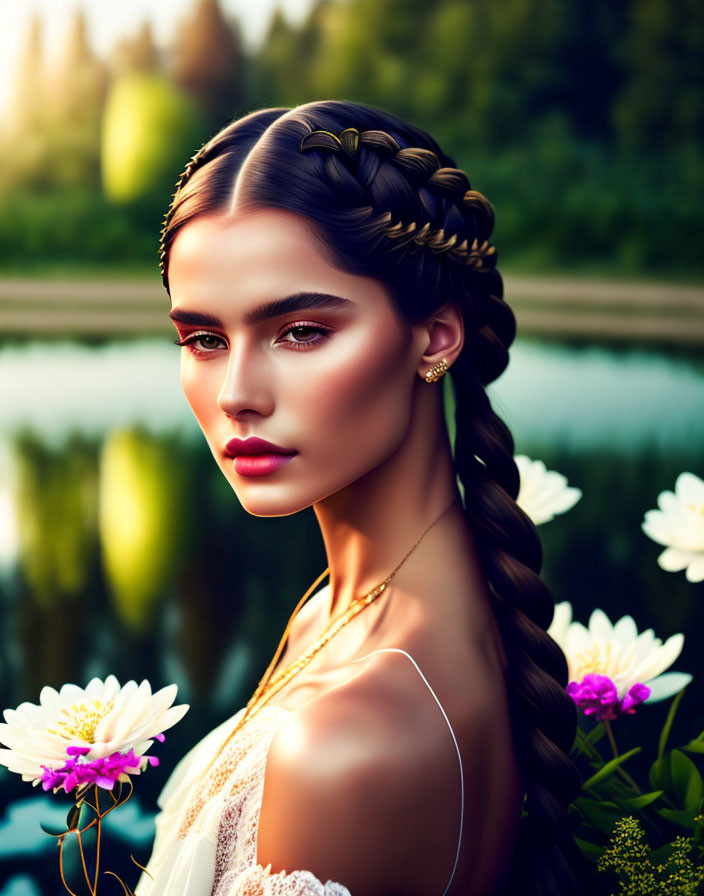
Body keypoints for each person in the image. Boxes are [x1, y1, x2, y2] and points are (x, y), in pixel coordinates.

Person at [135, 100, 589, 896]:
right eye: (204, 339)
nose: (238, 393)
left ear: (436, 336)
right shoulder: (359, 612)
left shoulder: (352, 740)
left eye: (301, 331)